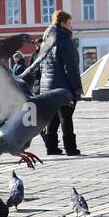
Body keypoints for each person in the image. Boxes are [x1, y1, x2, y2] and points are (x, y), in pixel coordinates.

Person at [40, 11, 82, 156]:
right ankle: (70, 148)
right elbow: (70, 67)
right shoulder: (64, 40)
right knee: (66, 116)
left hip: (47, 86)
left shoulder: (46, 41)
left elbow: (41, 65)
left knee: (53, 117)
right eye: (70, 23)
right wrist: (77, 87)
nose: (71, 27)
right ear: (63, 24)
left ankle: (51, 147)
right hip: (63, 86)